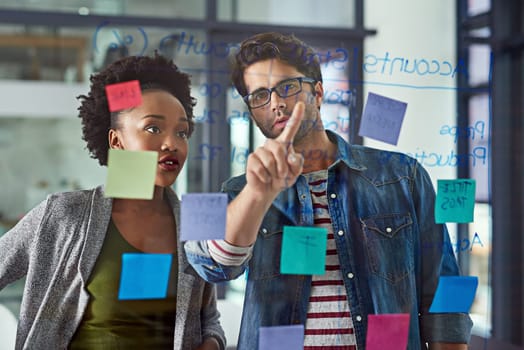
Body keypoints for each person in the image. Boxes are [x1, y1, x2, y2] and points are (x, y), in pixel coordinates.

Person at [185, 32, 473, 349]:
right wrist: (258, 195)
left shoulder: (403, 175)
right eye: (259, 96)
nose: (276, 103)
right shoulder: (237, 189)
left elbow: (446, 294)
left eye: (287, 87)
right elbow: (209, 266)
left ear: (318, 92)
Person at [0, 54, 225, 350]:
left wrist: (211, 343)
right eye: (154, 129)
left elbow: (209, 319)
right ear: (117, 141)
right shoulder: (65, 215)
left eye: (181, 132)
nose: (172, 143)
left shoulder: (195, 224)